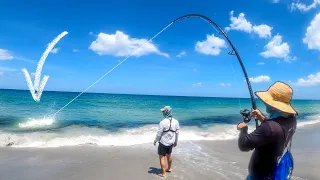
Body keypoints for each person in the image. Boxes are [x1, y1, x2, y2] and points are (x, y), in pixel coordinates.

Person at [237, 81, 297, 180]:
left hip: (260, 176)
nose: (264, 102)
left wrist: (243, 128)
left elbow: (244, 145)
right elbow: (276, 132)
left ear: (274, 105)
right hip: (274, 171)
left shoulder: (269, 128)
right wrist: (262, 118)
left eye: (267, 101)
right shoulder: (292, 119)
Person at [154, 106, 180, 178]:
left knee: (162, 157)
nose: (162, 113)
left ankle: (164, 174)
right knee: (169, 155)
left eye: (163, 112)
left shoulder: (162, 122)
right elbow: (177, 133)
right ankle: (169, 168)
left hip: (162, 143)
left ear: (166, 112)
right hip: (170, 143)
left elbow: (159, 134)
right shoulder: (176, 122)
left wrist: (155, 141)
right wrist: (176, 142)